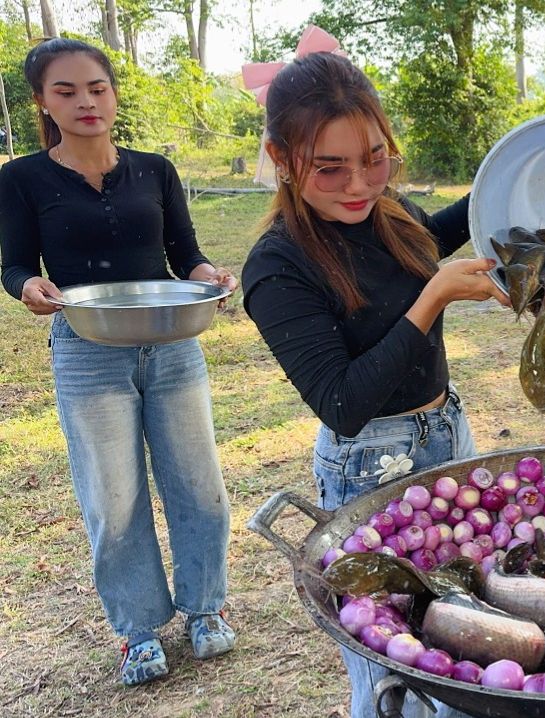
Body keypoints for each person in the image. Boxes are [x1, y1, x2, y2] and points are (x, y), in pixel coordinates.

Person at [238, 52, 507, 718]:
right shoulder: (278, 266)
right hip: (369, 468)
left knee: (463, 633)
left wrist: (522, 176)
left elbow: (433, 237)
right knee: (394, 666)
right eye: (329, 167)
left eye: (375, 157)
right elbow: (343, 403)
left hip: (449, 440)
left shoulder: (387, 212)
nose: (358, 183)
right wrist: (433, 299)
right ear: (280, 155)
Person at [0, 39, 237, 686]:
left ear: (113, 92)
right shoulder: (21, 178)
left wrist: (208, 273)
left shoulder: (154, 169)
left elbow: (184, 252)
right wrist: (26, 287)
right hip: (86, 349)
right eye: (66, 91)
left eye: (96, 88)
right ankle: (136, 633)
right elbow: (15, 263)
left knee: (198, 483)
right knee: (113, 498)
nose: (85, 102)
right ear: (42, 101)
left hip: (171, 341)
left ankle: (206, 606)